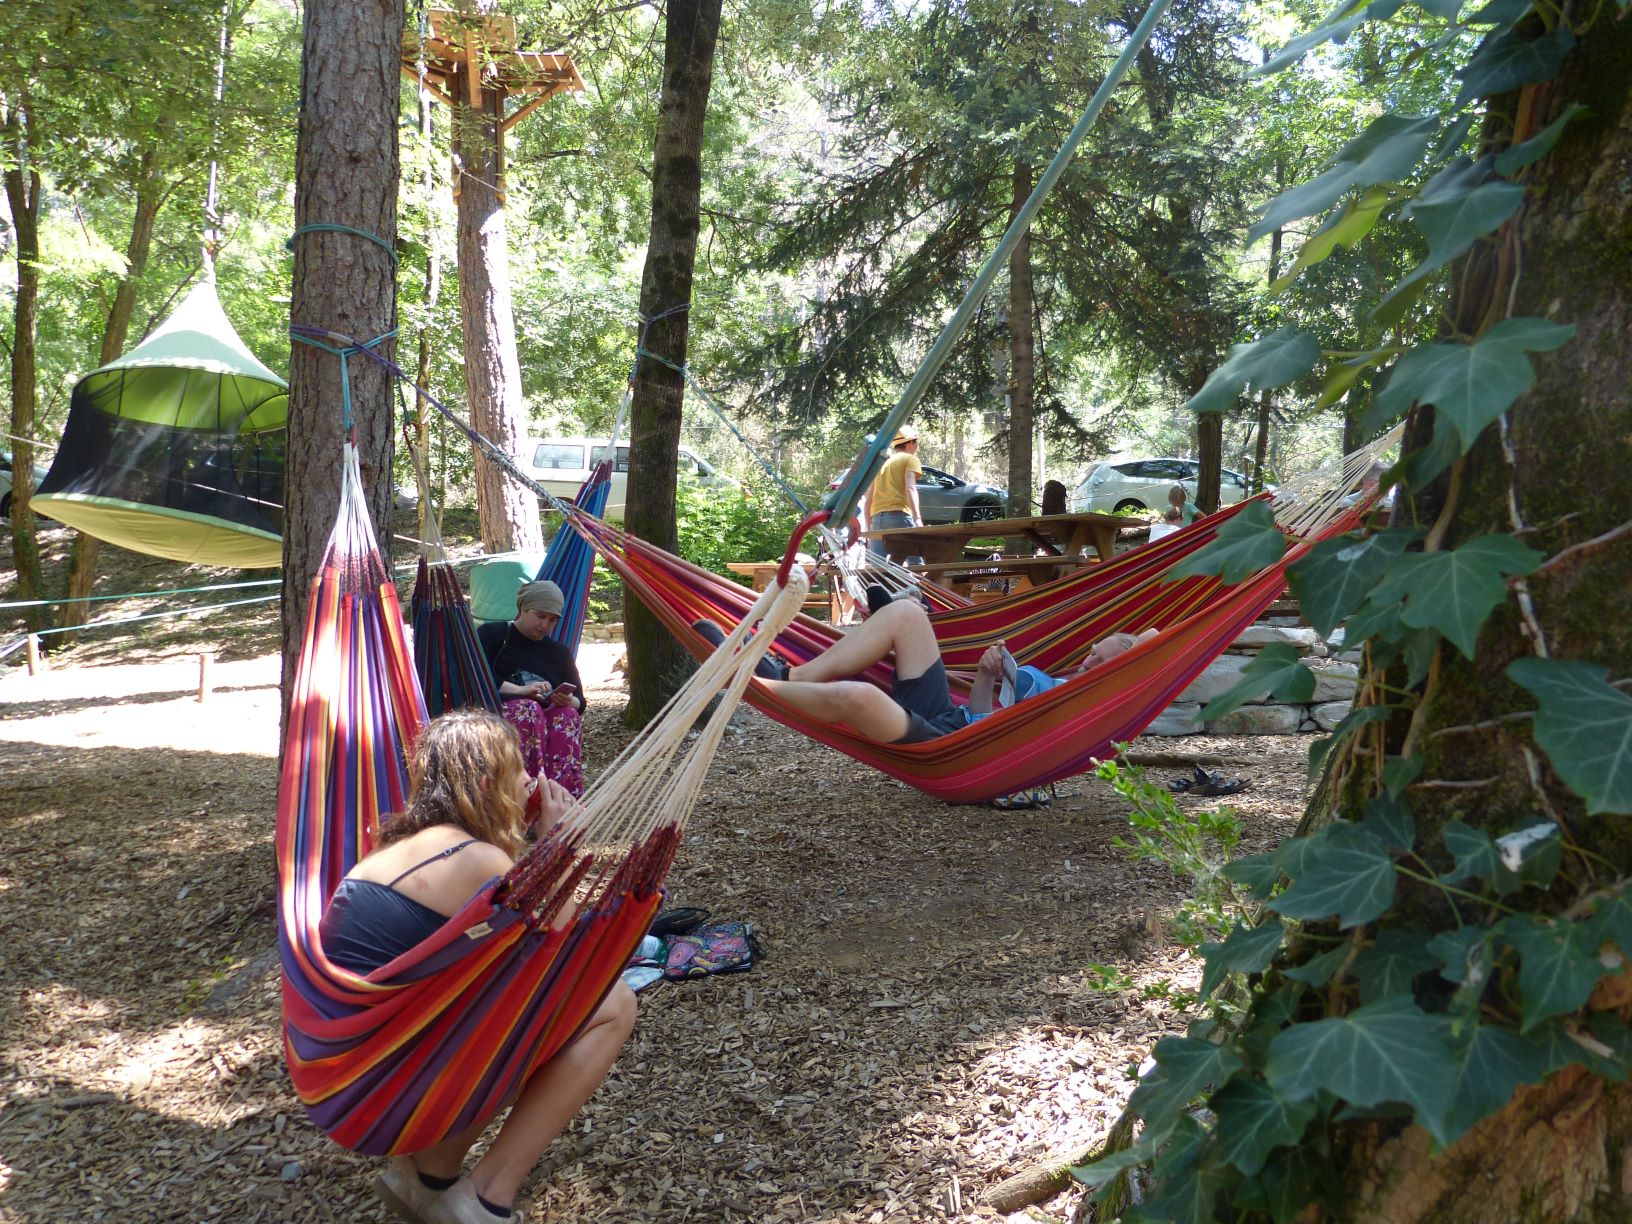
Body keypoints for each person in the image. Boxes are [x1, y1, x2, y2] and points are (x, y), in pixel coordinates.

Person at [321, 710, 637, 1224]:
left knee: (500, 1006)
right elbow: (571, 946)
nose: (533, 781)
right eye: (522, 770)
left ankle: (427, 1177)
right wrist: (557, 844)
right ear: (490, 783)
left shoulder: (396, 846)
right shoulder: (475, 859)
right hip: (389, 1079)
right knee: (612, 1004)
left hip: (353, 1070)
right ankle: (484, 1197)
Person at [693, 599, 1154, 743]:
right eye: (1092, 651)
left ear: (1121, 673)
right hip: (955, 723)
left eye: (1101, 660)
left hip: (957, 751)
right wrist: (987, 677)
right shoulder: (1055, 683)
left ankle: (746, 684)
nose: (1088, 661)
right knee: (907, 613)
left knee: (859, 697)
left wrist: (1135, 648)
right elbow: (979, 712)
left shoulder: (1094, 709)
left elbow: (1155, 643)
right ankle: (787, 674)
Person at [478, 581, 587, 797]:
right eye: (540, 616)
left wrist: (566, 700)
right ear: (523, 609)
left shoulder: (558, 653)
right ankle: (526, 795)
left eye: (552, 619)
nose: (545, 625)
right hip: (496, 716)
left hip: (544, 718)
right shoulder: (493, 635)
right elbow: (477, 679)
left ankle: (561, 798)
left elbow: (580, 702)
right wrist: (522, 690)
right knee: (528, 709)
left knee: (566, 716)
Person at [864, 425, 924, 561]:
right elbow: (910, 488)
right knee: (916, 564)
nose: (917, 447)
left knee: (878, 567)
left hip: (877, 520)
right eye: (916, 443)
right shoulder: (910, 459)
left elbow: (869, 498)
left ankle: (878, 583)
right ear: (910, 443)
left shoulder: (881, 463)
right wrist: (917, 518)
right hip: (899, 515)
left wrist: (869, 528)